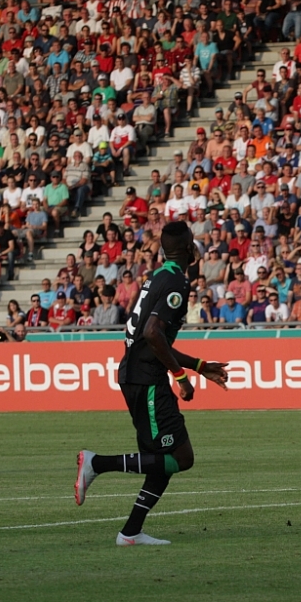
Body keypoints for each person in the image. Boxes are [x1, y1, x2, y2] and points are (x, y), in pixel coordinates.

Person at [74, 221, 229, 546]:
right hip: (147, 379)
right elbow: (153, 333)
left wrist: (200, 366)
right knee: (182, 457)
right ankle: (96, 463)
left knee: (163, 460)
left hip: (138, 373)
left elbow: (154, 339)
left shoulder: (157, 276)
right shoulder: (176, 282)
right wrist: (181, 377)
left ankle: (131, 532)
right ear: (189, 249)